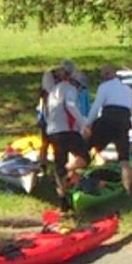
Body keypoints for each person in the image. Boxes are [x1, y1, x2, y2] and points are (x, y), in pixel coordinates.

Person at [86, 66, 132, 191]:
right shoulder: (127, 89)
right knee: (124, 160)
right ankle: (128, 190)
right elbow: (128, 107)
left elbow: (96, 107)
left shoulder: (105, 87)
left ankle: (77, 174)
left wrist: (87, 124)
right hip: (123, 122)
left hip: (108, 121)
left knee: (85, 146)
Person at [42, 66, 89, 199]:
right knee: (85, 157)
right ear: (76, 83)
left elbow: (47, 112)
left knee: (59, 162)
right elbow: (71, 107)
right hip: (67, 131)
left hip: (53, 131)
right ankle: (67, 170)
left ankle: (62, 197)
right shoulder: (70, 89)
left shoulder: (53, 90)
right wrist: (83, 125)